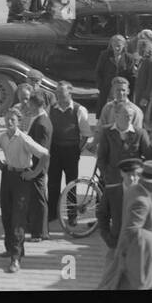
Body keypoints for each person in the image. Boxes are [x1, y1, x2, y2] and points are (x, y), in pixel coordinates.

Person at [99, 160, 152, 290]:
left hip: (137, 259)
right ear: (151, 183)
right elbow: (131, 233)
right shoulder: (141, 201)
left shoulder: (136, 190)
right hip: (136, 262)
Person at [0, 106, 49, 273]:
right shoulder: (2, 137)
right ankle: (11, 248)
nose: (9, 122)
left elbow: (45, 154)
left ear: (19, 122)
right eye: (7, 119)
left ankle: (16, 258)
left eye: (13, 120)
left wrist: (33, 173)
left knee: (18, 217)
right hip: (8, 176)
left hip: (22, 178)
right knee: (6, 214)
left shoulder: (24, 138)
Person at [94, 104, 152, 246]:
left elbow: (149, 157)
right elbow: (101, 157)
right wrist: (108, 177)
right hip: (113, 183)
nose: (129, 118)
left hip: (134, 184)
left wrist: (140, 177)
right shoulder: (107, 132)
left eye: (131, 116)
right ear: (117, 115)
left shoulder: (140, 133)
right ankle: (114, 243)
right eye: (126, 115)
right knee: (114, 216)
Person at [46, 82, 92, 229]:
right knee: (52, 183)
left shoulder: (79, 110)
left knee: (71, 184)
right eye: (57, 94)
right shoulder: (51, 108)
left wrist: (78, 150)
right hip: (54, 150)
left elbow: (85, 134)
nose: (59, 97)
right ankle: (52, 213)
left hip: (71, 151)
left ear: (70, 93)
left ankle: (72, 216)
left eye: (62, 94)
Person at [24, 90, 53, 241]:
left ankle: (40, 232)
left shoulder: (41, 123)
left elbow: (42, 152)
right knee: (37, 198)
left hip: (38, 167)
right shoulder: (41, 119)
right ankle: (39, 230)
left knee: (38, 200)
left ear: (35, 104)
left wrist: (35, 171)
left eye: (30, 103)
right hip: (37, 167)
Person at [95, 35, 135, 110]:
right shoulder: (104, 55)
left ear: (124, 45)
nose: (117, 48)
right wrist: (100, 86)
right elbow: (98, 71)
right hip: (108, 89)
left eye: (119, 46)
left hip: (122, 90)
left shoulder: (129, 58)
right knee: (107, 111)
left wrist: (130, 90)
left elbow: (131, 75)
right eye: (114, 45)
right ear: (111, 45)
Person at [133, 38, 152, 130]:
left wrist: (146, 98)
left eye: (142, 48)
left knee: (147, 121)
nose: (139, 50)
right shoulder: (143, 61)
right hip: (140, 94)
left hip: (148, 97)